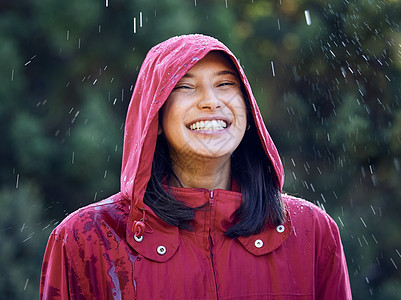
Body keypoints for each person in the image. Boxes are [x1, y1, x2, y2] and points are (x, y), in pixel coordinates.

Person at [40, 34, 352, 299]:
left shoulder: (311, 231)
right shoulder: (86, 239)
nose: (211, 101)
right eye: (185, 87)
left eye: (226, 84)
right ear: (155, 117)